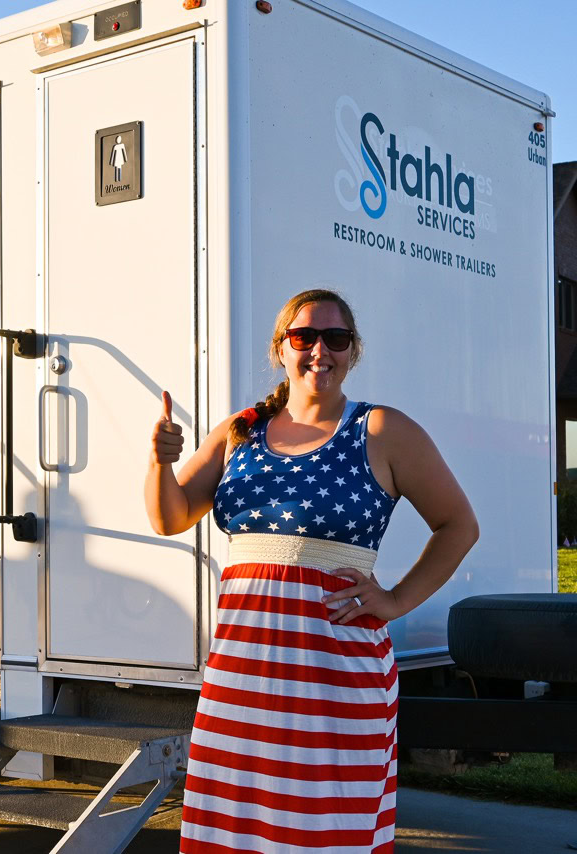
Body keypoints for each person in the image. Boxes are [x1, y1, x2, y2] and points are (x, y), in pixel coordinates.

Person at [144, 288, 479, 852]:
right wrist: (160, 461)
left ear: (353, 352)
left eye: (336, 338)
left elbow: (459, 526)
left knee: (324, 833)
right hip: (240, 680)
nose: (320, 350)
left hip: (336, 685)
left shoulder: (381, 431)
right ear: (282, 348)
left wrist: (395, 600)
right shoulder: (239, 432)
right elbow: (169, 516)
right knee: (236, 834)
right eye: (305, 337)